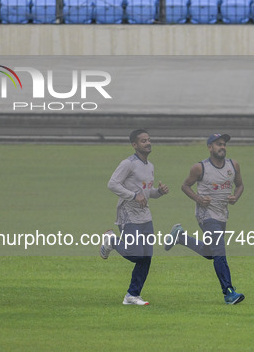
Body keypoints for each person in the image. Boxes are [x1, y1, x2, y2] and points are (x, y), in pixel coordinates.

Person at [165, 133, 245, 305]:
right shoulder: (199, 168)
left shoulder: (234, 165)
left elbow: (240, 185)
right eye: (218, 144)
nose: (222, 147)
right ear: (210, 147)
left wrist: (236, 196)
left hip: (222, 215)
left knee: (211, 253)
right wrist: (198, 199)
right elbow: (185, 186)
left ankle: (180, 237)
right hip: (206, 216)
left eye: (223, 144)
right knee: (220, 252)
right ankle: (229, 292)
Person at [100, 129, 169, 306]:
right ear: (134, 145)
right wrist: (132, 196)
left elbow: (146, 194)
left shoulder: (150, 166)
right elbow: (112, 184)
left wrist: (159, 192)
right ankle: (111, 241)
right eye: (143, 140)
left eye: (149, 139)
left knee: (146, 257)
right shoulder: (128, 164)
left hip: (145, 216)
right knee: (135, 254)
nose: (148, 143)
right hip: (128, 214)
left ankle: (132, 295)